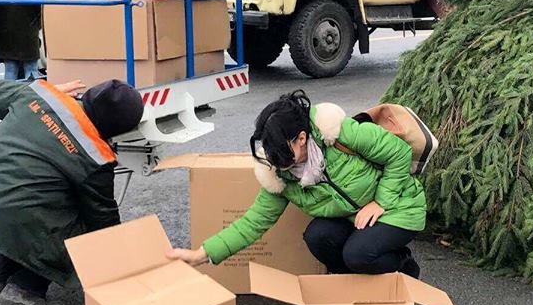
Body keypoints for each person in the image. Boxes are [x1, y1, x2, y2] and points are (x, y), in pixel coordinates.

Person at [169, 90, 426, 277]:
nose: (280, 165)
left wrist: (381, 202)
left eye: (284, 154)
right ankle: (357, 284)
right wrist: (201, 254)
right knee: (318, 237)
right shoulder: (279, 173)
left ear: (301, 138)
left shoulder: (339, 134)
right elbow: (252, 223)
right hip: (356, 217)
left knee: (357, 255)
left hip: (399, 207)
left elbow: (398, 153)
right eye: (273, 156)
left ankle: (403, 266)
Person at [0, 77, 144, 305]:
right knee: (73, 223)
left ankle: (2, 280)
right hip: (12, 211)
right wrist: (123, 266)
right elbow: (102, 219)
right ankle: (26, 288)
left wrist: (43, 88)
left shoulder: (40, 97)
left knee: (20, 198)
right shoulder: (95, 156)